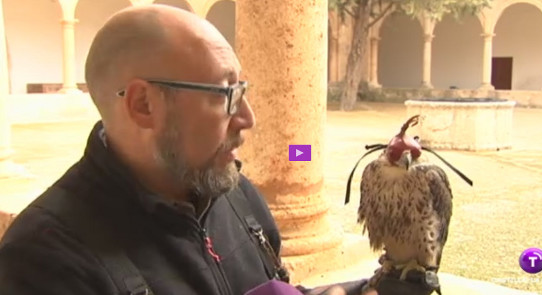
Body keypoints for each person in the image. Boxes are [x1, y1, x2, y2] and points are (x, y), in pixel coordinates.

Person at [0, 4, 434, 295]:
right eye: (225, 94)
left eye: (242, 90)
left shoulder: (236, 194)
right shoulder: (44, 260)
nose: (248, 118)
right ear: (143, 104)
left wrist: (370, 288)